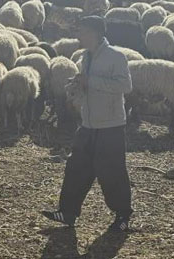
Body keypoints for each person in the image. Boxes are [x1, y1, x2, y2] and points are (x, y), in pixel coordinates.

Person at [41, 16, 134, 232]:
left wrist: (90, 82)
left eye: (81, 31)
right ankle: (68, 212)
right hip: (89, 123)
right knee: (76, 168)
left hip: (110, 125)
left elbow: (125, 86)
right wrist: (78, 89)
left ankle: (123, 215)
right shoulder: (86, 57)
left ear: (94, 33)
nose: (78, 35)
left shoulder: (116, 57)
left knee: (112, 171)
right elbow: (89, 85)